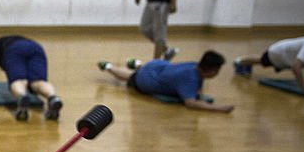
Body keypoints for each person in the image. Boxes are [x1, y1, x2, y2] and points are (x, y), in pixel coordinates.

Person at [97, 50, 233, 112]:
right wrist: (218, 108)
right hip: (147, 79)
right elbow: (190, 103)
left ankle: (137, 63)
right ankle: (109, 67)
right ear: (212, 72)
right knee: (130, 76)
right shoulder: (189, 79)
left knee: (143, 69)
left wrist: (201, 95)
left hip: (157, 65)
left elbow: (199, 85)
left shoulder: (195, 65)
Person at [0, 35, 63, 121]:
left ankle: (22, 97)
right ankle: (53, 97)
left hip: (13, 49)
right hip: (36, 47)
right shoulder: (13, 40)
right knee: (37, 81)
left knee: (18, 80)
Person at [233, 36, 304, 93]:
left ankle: (244, 62)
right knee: (263, 61)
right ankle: (239, 61)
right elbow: (296, 68)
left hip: (293, 52)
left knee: (263, 61)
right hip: (280, 52)